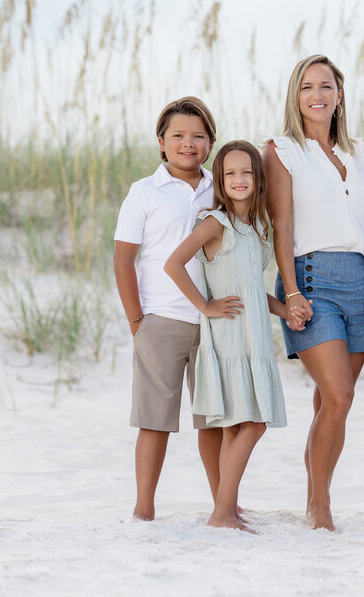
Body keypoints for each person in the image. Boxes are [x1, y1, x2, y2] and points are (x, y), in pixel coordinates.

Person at [263, 54, 364, 531]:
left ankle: (317, 492)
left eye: (326, 86)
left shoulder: (362, 153)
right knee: (341, 394)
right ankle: (319, 505)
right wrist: (290, 292)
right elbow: (282, 226)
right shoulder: (281, 150)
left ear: (340, 94)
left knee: (331, 402)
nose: (317, 95)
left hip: (362, 283)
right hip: (311, 281)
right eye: (307, 86)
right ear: (296, 94)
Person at [165, 140, 289, 531]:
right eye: (230, 173)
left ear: (258, 179)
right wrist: (205, 306)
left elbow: (252, 288)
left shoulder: (255, 228)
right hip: (231, 339)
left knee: (237, 426)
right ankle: (221, 514)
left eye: (247, 172)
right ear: (219, 180)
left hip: (255, 338)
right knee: (254, 423)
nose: (239, 179)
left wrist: (284, 310)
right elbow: (174, 263)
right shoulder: (216, 223)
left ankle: (227, 509)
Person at [112, 96, 223, 521]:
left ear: (211, 142)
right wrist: (137, 321)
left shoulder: (221, 186)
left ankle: (223, 505)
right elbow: (124, 260)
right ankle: (144, 509)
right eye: (178, 136)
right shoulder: (144, 192)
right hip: (161, 320)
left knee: (213, 421)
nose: (188, 144)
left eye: (198, 136)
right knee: (154, 420)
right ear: (161, 142)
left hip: (214, 323)